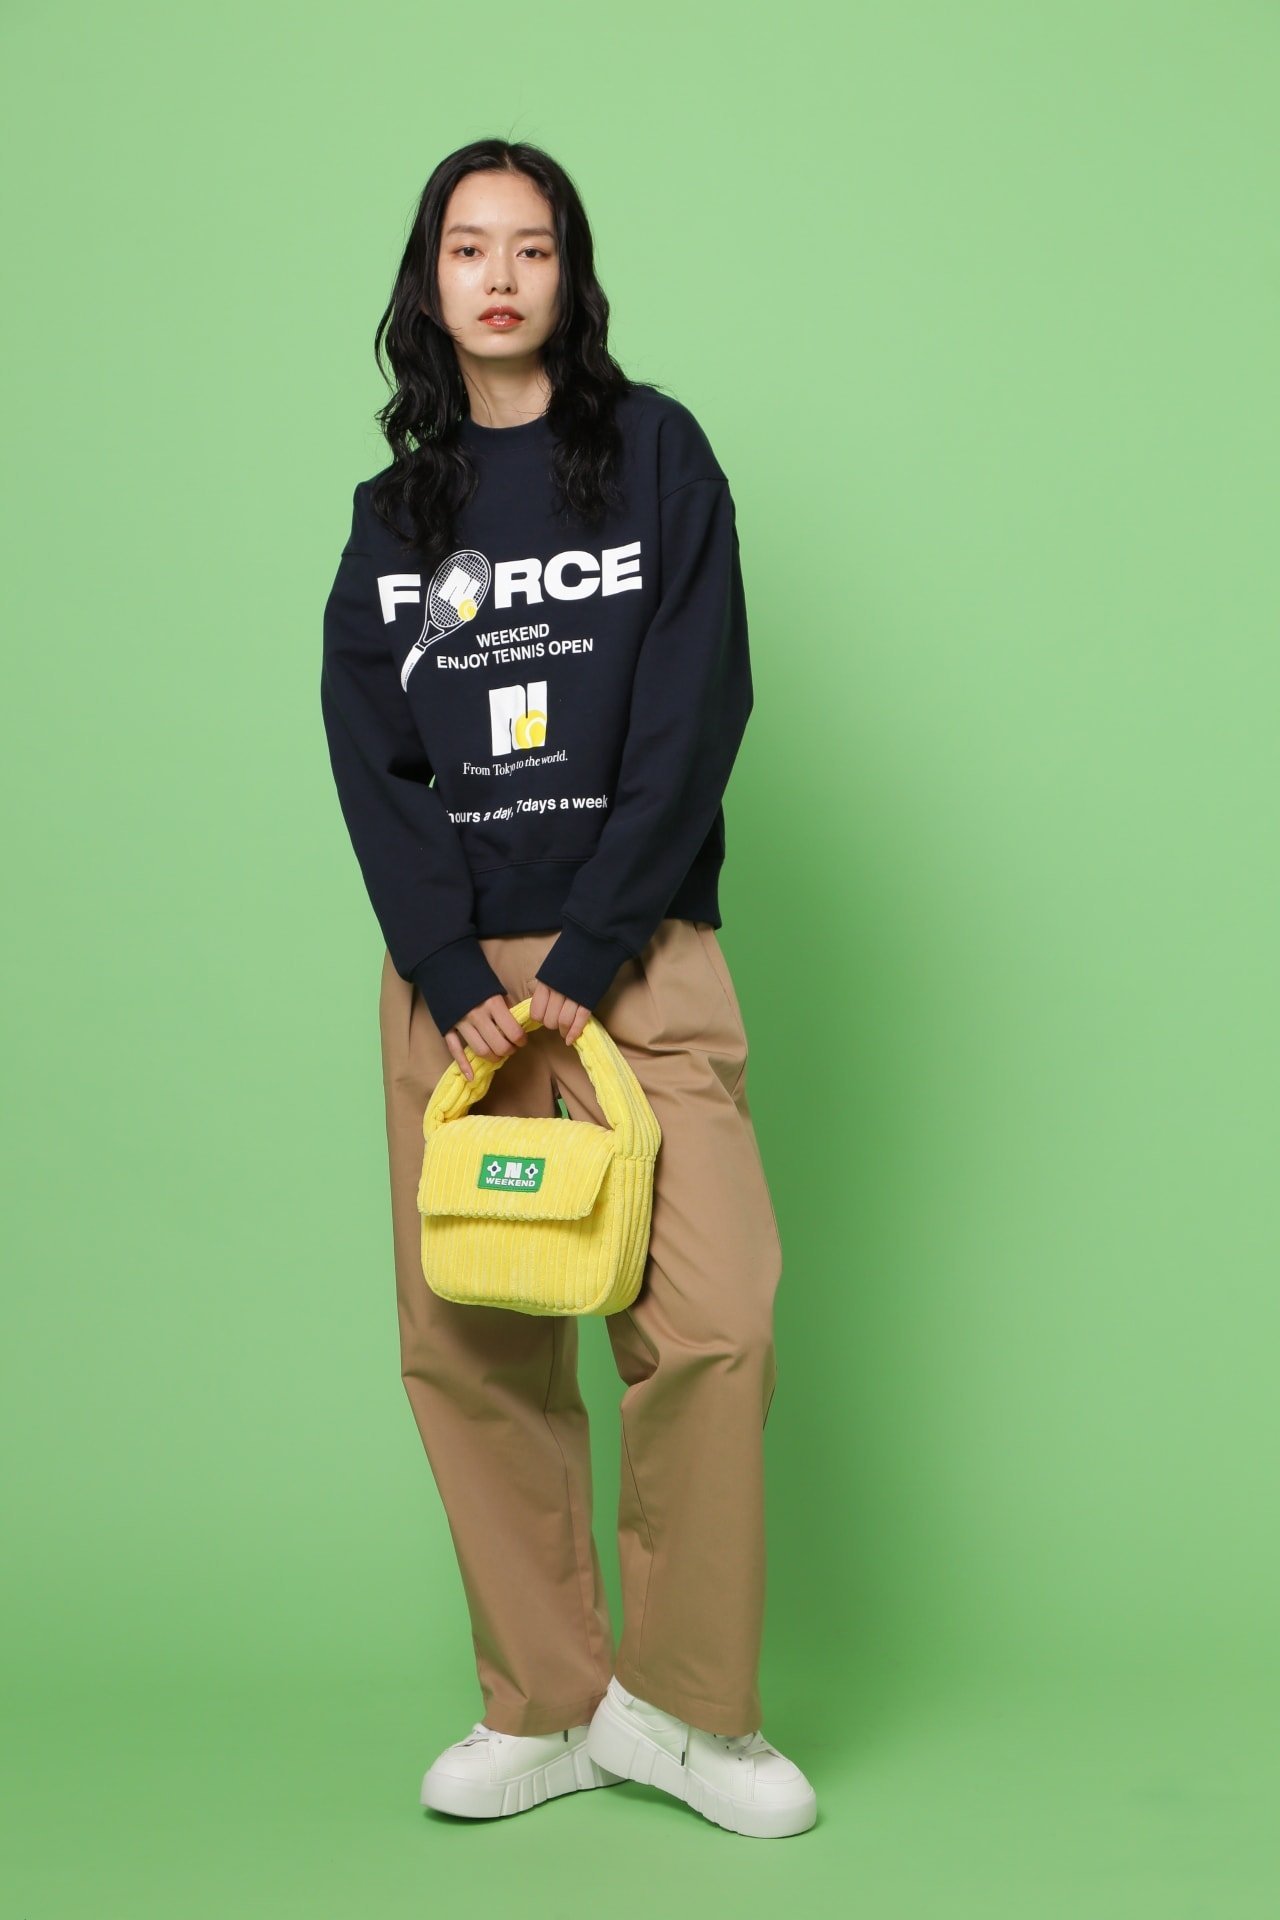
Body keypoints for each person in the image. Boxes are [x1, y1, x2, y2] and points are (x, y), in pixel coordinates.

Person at [320, 137, 816, 1839]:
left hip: (636, 963)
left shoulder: (656, 456)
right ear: (431, 282)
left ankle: (679, 1712)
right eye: (469, 247)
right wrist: (450, 965)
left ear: (570, 275)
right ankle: (540, 1702)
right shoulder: (395, 517)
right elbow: (373, 751)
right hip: (459, 990)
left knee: (717, 1322)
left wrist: (593, 956)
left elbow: (698, 703)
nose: (501, 275)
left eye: (532, 246)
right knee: (470, 1346)